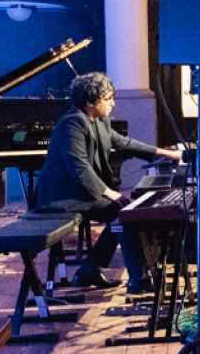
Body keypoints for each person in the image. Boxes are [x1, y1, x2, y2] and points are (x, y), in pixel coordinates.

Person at [32, 71, 181, 291]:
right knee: (123, 212)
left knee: (123, 212)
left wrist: (168, 153)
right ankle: (137, 279)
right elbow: (79, 168)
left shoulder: (99, 121)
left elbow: (125, 142)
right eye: (108, 98)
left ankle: (91, 269)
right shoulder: (71, 124)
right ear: (90, 102)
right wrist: (109, 192)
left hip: (79, 192)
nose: (113, 103)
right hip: (63, 196)